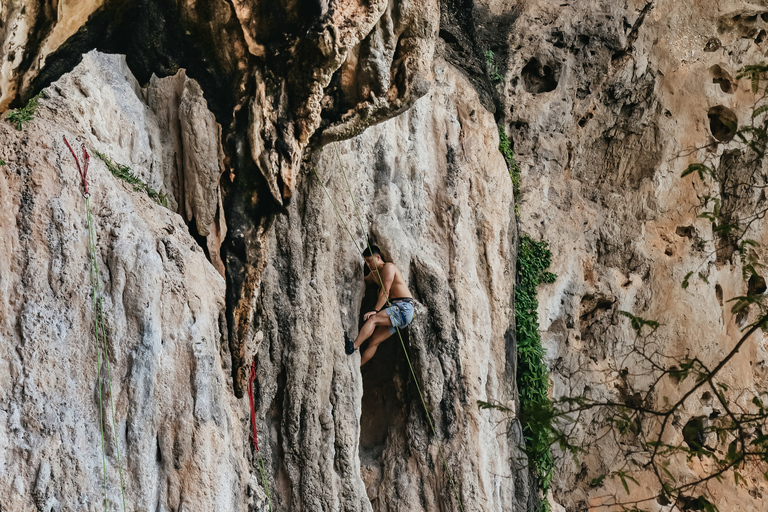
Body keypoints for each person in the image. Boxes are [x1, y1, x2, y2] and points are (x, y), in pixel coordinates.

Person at [345, 245, 414, 365]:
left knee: (373, 319)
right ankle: (358, 366)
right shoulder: (375, 274)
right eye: (366, 262)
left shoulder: (389, 267)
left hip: (403, 307)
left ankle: (353, 346)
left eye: (370, 261)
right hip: (400, 311)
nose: (368, 264)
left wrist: (375, 310)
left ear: (378, 257)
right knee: (374, 341)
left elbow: (385, 292)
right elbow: (364, 279)